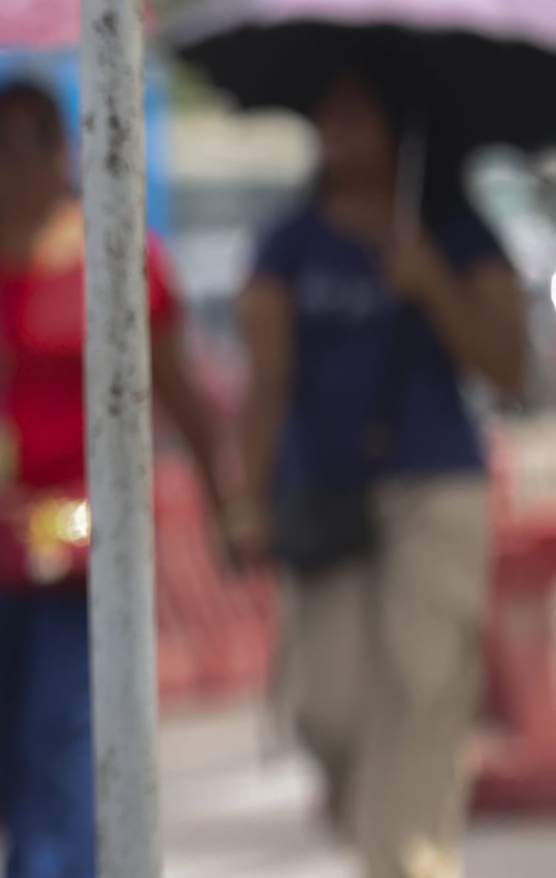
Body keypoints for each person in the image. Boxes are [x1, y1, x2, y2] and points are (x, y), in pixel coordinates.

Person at [0, 78, 226, 878]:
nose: (18, 158)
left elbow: (184, 394)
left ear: (66, 146)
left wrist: (229, 502)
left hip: (80, 550)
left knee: (62, 746)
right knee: (10, 768)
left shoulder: (119, 256)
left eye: (36, 135)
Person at [232, 66, 524, 878]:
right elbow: (264, 384)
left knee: (428, 682)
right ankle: (390, 845)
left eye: (359, 114)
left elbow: (510, 364)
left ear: (400, 128)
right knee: (328, 704)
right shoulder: (288, 243)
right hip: (324, 490)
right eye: (329, 114)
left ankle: (412, 857)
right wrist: (245, 500)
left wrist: (434, 285)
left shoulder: (458, 236)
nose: (339, 131)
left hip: (435, 483)